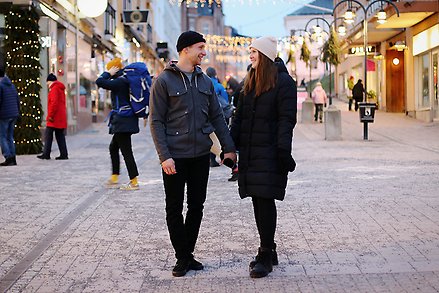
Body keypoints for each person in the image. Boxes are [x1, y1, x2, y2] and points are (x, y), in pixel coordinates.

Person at [149, 30, 236, 277]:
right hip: (174, 157)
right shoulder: (163, 81)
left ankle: (187, 254)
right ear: (185, 49)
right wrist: (163, 156)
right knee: (174, 208)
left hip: (200, 155)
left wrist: (229, 149)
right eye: (200, 47)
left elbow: (218, 119)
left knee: (197, 205)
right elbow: (156, 121)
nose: (204, 52)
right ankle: (183, 257)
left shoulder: (205, 82)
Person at [230, 36, 297, 278]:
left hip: (269, 152)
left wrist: (282, 151)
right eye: (250, 51)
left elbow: (286, 120)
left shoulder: (283, 83)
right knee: (258, 201)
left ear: (266, 54)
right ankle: (270, 248)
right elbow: (239, 117)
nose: (250, 55)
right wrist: (229, 147)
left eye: (254, 51)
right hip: (250, 151)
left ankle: (265, 253)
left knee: (264, 199)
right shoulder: (250, 79)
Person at [96, 58, 140, 190]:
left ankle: (134, 181)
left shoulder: (119, 82)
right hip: (126, 120)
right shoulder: (125, 80)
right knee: (113, 148)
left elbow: (99, 81)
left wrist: (107, 73)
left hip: (122, 121)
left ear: (114, 69)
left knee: (126, 151)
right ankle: (115, 176)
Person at [37, 73, 68, 160]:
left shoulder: (54, 89)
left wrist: (50, 116)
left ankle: (46, 154)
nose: (47, 85)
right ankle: (64, 154)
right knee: (60, 136)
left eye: (47, 82)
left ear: (49, 81)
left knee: (48, 135)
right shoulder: (60, 88)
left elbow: (54, 103)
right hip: (60, 117)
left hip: (54, 117)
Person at [206, 66, 232, 167]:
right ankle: (222, 155)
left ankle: (212, 159)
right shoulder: (219, 86)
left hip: (207, 115)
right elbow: (226, 101)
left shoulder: (204, 84)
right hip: (219, 114)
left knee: (210, 136)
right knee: (219, 135)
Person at [0, 67, 20, 166]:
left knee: (2, 137)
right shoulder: (11, 85)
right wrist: (17, 112)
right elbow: (17, 99)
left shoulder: (0, 86)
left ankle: (8, 157)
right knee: (10, 137)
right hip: (14, 114)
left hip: (4, 115)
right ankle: (13, 157)